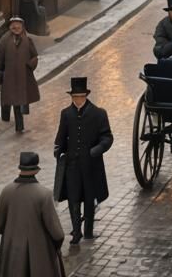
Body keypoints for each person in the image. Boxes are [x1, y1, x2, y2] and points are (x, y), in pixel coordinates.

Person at [54, 76, 113, 244]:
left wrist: (96, 150)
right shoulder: (66, 114)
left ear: (86, 96)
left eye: (80, 97)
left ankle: (88, 231)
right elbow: (61, 137)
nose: (78, 100)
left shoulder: (98, 113)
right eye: (75, 97)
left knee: (89, 198)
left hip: (90, 166)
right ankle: (76, 232)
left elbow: (107, 137)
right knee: (73, 198)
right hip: (72, 165)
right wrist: (58, 150)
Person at [0, 152, 65, 277]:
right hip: (40, 259)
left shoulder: (7, 191)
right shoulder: (44, 194)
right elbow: (57, 234)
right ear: (36, 170)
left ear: (20, 168)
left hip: (12, 258)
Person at [0, 16, 40, 134]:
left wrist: (30, 65)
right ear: (10, 27)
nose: (16, 28)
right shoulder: (4, 40)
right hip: (9, 76)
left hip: (23, 77)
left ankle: (19, 127)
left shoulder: (27, 39)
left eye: (18, 25)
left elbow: (34, 56)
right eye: (13, 26)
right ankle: (6, 118)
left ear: (22, 26)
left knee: (18, 102)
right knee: (8, 99)